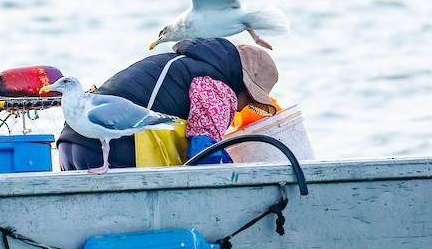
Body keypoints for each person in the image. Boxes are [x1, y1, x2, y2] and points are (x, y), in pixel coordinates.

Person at [56, 38, 279, 171]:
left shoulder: (179, 65)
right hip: (113, 153)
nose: (240, 109)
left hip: (70, 144)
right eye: (248, 100)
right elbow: (205, 153)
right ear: (242, 84)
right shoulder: (217, 88)